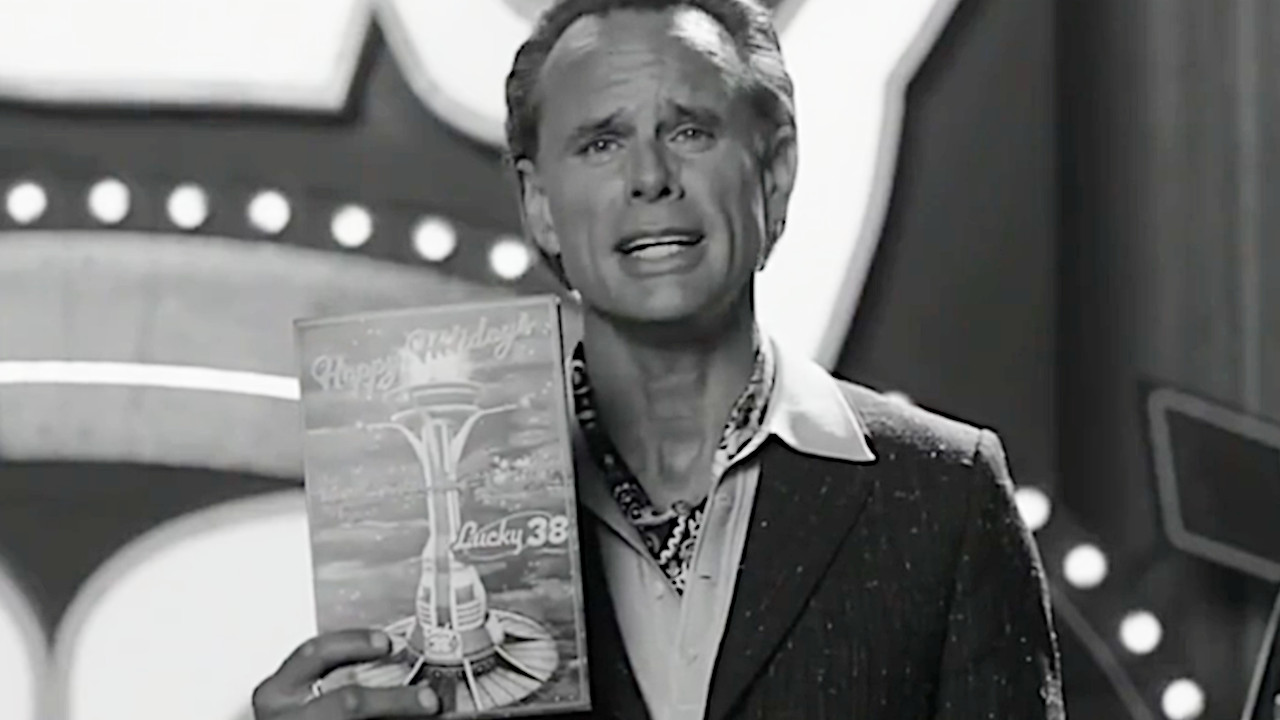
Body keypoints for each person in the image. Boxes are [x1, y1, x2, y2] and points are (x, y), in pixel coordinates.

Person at [251, 0, 1066, 718]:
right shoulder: (428, 510)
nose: (649, 177)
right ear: (540, 205)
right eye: (601, 143)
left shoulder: (945, 497)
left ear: (775, 173)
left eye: (689, 132)